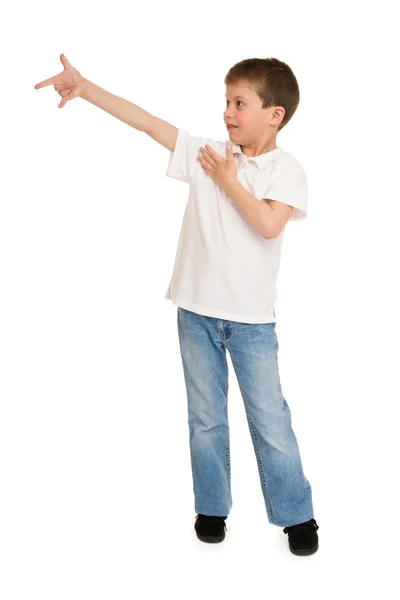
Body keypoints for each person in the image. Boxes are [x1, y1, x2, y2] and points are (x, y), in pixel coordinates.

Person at [34, 54, 319, 556]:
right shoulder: (208, 152)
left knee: (270, 419)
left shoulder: (285, 169)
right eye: (226, 101)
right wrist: (86, 88)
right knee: (205, 417)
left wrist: (228, 180)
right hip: (196, 312)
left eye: (240, 103)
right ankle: (211, 507)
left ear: (275, 114)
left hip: (251, 323)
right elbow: (147, 122)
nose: (228, 112)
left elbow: (269, 224)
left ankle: (296, 515)